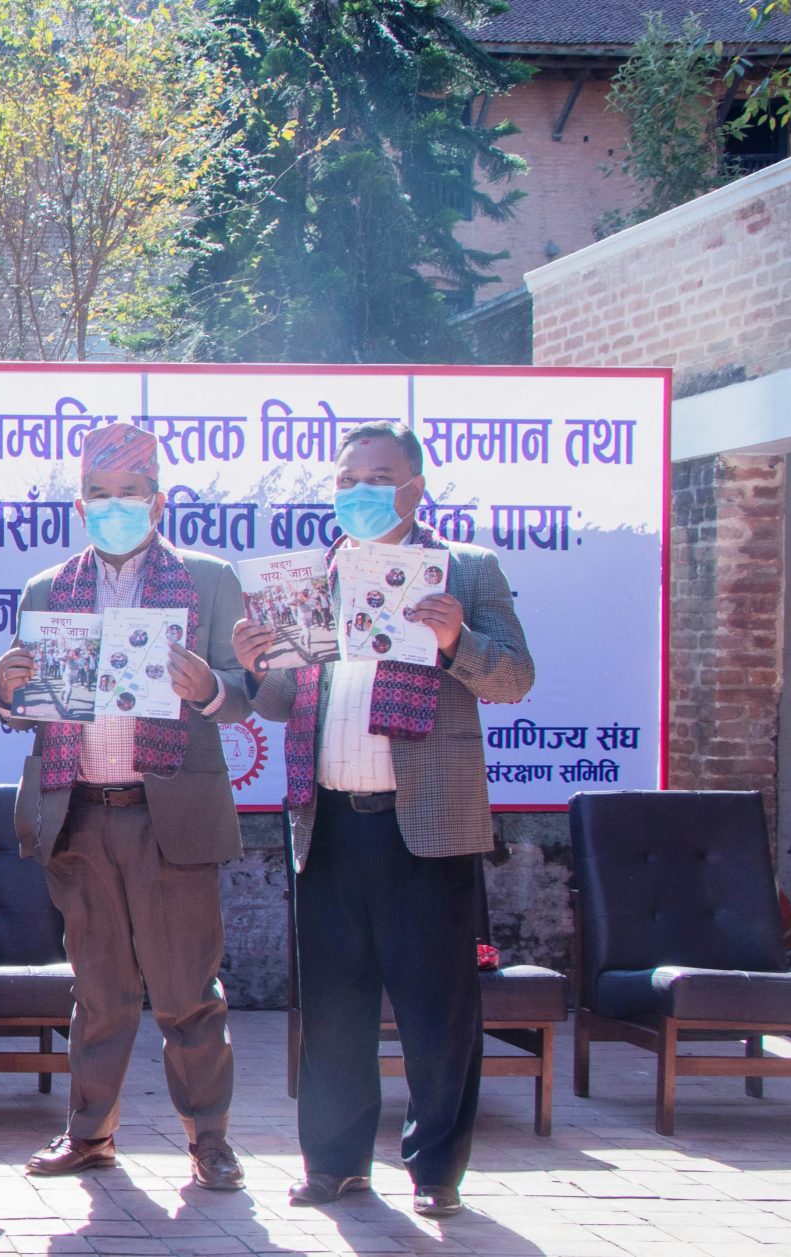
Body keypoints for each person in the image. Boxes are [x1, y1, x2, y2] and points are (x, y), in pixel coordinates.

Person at [239, 421, 534, 1220]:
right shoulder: (313, 576)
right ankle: (334, 1164)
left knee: (436, 1010)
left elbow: (514, 676)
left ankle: (437, 1168)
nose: (360, 489)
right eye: (348, 476)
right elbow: (279, 701)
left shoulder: (466, 569)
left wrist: (453, 639)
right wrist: (256, 663)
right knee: (333, 1009)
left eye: (380, 474)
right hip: (327, 821)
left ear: (416, 485)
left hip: (425, 826)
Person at [0, 422, 252, 1191]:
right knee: (99, 991)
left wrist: (206, 686)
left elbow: (250, 693)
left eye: (128, 495)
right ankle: (91, 1132)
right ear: (80, 503)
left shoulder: (206, 581)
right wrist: (8, 695)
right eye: (98, 496)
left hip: (168, 814)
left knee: (185, 992)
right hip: (79, 813)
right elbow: (26, 709)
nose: (113, 507)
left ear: (158, 502)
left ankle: (210, 1139)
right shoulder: (48, 589)